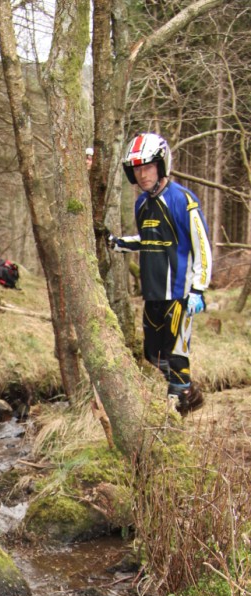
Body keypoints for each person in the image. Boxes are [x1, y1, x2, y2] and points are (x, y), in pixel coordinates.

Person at [108, 132, 212, 414]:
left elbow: (202, 245)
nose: (143, 175)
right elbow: (148, 239)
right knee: (152, 354)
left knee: (176, 356)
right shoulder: (142, 203)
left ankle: (176, 414)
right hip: (152, 293)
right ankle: (190, 391)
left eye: (149, 167)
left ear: (162, 165)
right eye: (137, 169)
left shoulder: (182, 199)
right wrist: (117, 243)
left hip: (180, 294)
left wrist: (199, 289)